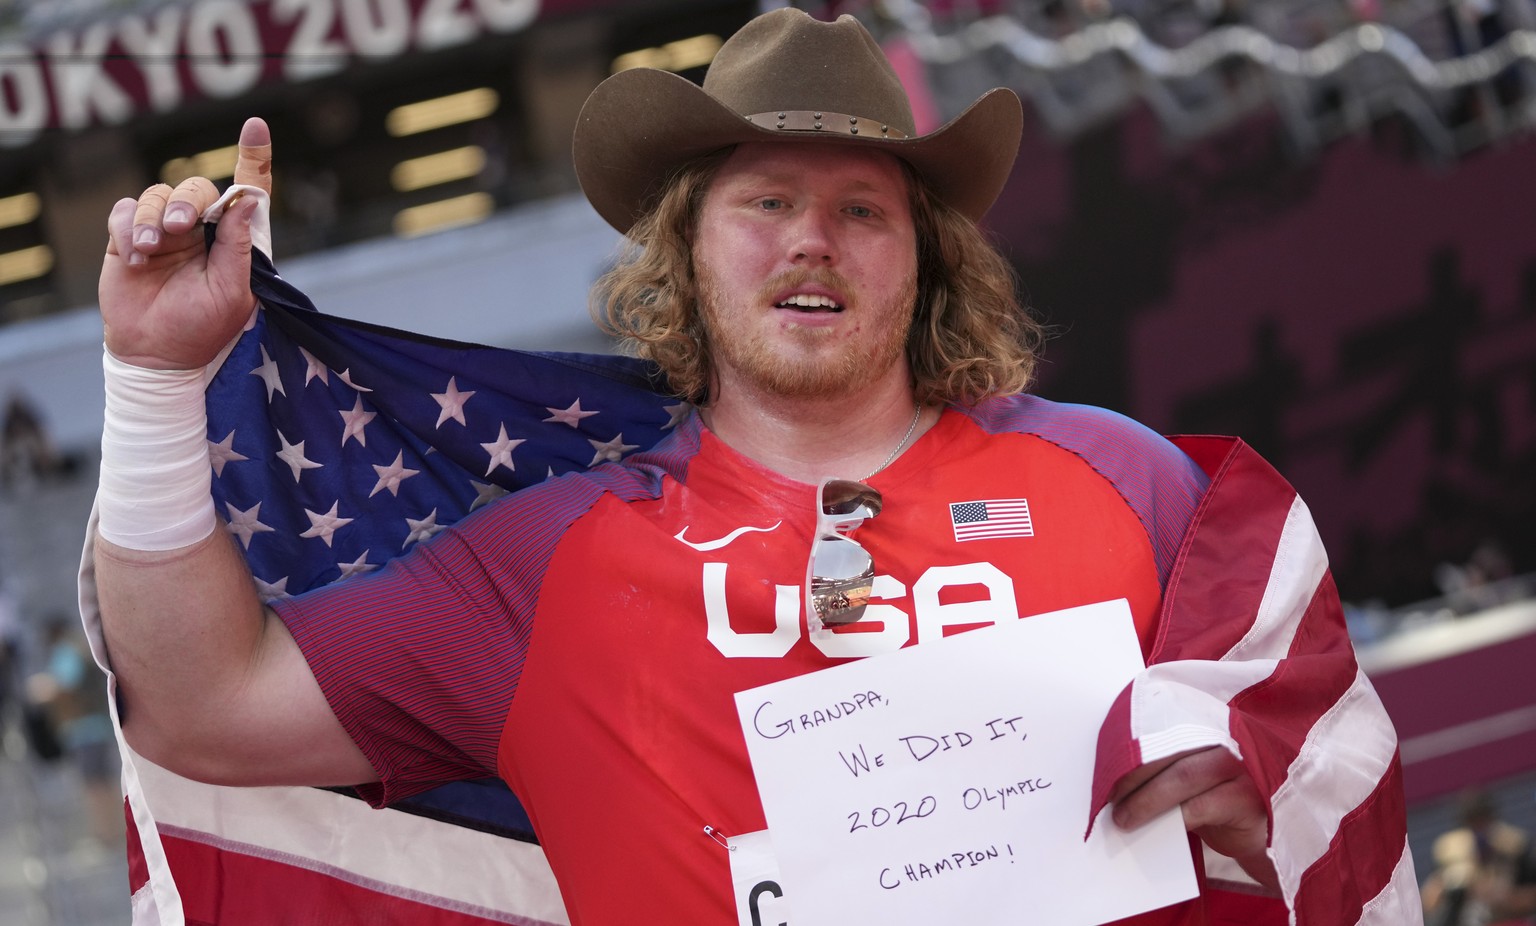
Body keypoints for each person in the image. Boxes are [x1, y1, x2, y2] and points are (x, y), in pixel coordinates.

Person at [91, 8, 1417, 924]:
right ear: (687, 249)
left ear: (929, 254)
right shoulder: (543, 567)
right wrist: (153, 380)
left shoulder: (1127, 483)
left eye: (861, 209)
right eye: (767, 202)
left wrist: (1264, 791)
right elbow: (204, 704)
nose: (812, 241)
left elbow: (1305, 756)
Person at [1422, 789, 1536, 926]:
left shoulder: (1514, 846)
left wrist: (1501, 897)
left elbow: (1531, 896)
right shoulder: (1450, 853)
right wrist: (1449, 887)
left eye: (1482, 821)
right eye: (1472, 823)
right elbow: (1429, 902)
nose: (1479, 829)